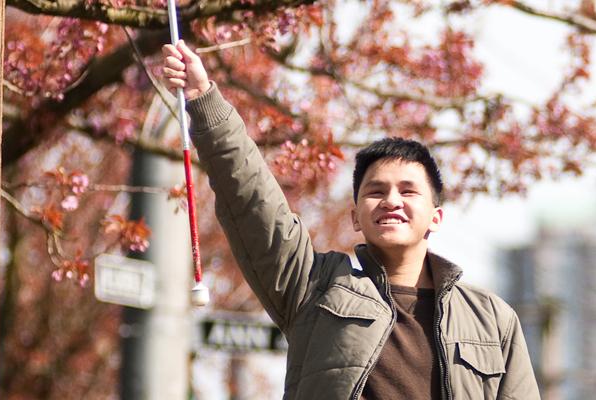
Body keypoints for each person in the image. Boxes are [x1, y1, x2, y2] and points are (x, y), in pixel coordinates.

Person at [162, 41, 540, 400]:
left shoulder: (490, 318)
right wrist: (203, 99)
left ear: (436, 217)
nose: (391, 201)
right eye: (376, 191)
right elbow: (255, 204)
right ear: (356, 216)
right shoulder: (315, 288)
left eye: (408, 191)